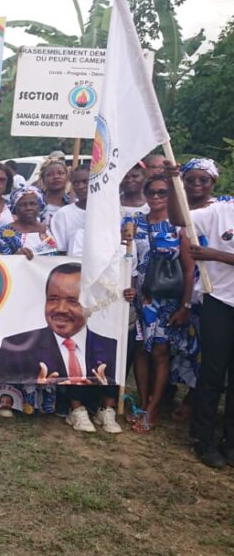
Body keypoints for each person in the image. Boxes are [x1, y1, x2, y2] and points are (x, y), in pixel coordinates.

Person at [0, 263, 123, 434]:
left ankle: (104, 411)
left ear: (90, 304)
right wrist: (31, 378)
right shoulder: (15, 347)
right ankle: (76, 410)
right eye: (53, 299)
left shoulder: (111, 347)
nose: (61, 309)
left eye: (73, 301)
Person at [173, 161, 234, 467]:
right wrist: (174, 183)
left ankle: (231, 443)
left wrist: (215, 255)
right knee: (212, 373)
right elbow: (178, 218)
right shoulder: (220, 211)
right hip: (219, 302)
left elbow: (213, 255)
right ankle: (203, 439)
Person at [123, 175, 194, 432]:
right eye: (151, 192)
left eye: (162, 192)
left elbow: (189, 270)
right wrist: (129, 285)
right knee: (141, 351)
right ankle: (143, 402)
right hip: (140, 297)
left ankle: (153, 409)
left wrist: (185, 306)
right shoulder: (134, 222)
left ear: (171, 195)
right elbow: (126, 257)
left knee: (160, 353)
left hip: (166, 301)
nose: (155, 197)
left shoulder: (180, 226)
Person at [0, 187, 60, 418]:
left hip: (43, 299)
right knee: (14, 347)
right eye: (23, 204)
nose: (29, 208)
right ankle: (9, 400)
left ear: (40, 205)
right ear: (15, 208)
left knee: (43, 347)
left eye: (33, 203)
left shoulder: (49, 231)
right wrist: (14, 259)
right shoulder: (4, 233)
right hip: (14, 298)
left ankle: (40, 401)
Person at [50, 166, 90, 256]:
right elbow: (61, 251)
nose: (80, 186)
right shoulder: (63, 214)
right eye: (76, 183)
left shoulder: (109, 212)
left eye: (85, 182)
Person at [37, 158, 71, 226]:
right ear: (43, 179)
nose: (56, 177)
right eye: (50, 174)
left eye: (60, 173)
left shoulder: (74, 203)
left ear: (67, 177)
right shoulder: (35, 205)